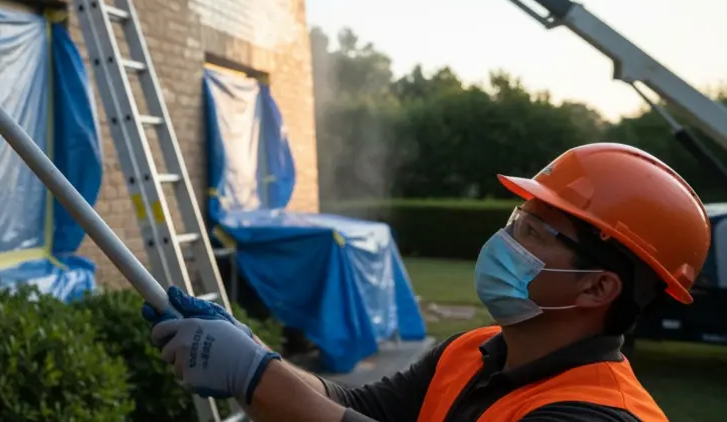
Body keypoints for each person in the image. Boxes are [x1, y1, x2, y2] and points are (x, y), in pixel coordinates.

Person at [144, 143, 711, 422]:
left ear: (596, 288)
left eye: (535, 231)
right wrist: (254, 353)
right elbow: (351, 403)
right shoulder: (473, 351)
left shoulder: (597, 415)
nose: (506, 239)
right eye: (515, 219)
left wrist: (255, 374)